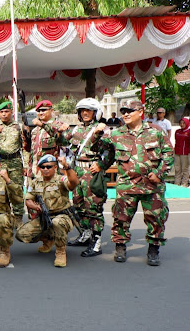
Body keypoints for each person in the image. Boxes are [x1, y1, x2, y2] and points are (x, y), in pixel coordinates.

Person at [98, 100, 173, 266]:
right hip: (126, 185)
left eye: (130, 110)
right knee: (120, 218)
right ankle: (120, 246)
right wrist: (100, 163)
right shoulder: (116, 134)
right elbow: (106, 153)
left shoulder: (156, 131)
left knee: (156, 218)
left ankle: (154, 248)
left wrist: (159, 174)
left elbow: (168, 154)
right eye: (123, 111)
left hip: (152, 185)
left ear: (140, 111)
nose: (125, 114)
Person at [57, 98, 110, 255]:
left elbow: (110, 151)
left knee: (93, 207)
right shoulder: (76, 130)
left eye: (89, 110)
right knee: (78, 205)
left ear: (96, 113)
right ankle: (86, 234)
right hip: (77, 171)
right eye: (82, 111)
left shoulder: (101, 129)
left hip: (91, 173)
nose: (85, 113)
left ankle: (96, 241)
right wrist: (61, 131)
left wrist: (101, 164)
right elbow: (62, 142)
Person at [16, 154, 79, 267]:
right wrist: (34, 206)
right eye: (43, 167)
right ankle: (48, 239)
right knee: (21, 234)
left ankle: (60, 252)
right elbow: (28, 200)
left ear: (55, 168)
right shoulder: (35, 182)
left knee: (56, 223)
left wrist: (66, 166)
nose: (46, 169)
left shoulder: (60, 180)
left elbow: (74, 183)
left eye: (49, 166)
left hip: (62, 216)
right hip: (44, 217)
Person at [0, 100, 26, 225]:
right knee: (0, 189)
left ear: (11, 112)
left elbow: (24, 146)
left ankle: (18, 217)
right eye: (1, 112)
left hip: (15, 161)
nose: (4, 114)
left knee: (16, 189)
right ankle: (4, 216)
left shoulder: (18, 126)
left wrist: (26, 165)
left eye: (6, 111)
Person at [25, 100, 63, 178]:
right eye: (39, 111)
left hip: (49, 172)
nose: (41, 113)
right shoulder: (35, 130)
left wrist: (42, 125)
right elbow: (32, 151)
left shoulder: (58, 126)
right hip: (34, 171)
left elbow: (60, 139)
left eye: (44, 110)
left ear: (51, 110)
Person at [173, 117, 190, 186]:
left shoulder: (189, 132)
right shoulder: (177, 131)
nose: (182, 124)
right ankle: (177, 183)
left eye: (184, 123)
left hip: (185, 153)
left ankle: (184, 183)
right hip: (177, 152)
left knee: (185, 169)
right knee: (177, 169)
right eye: (181, 123)